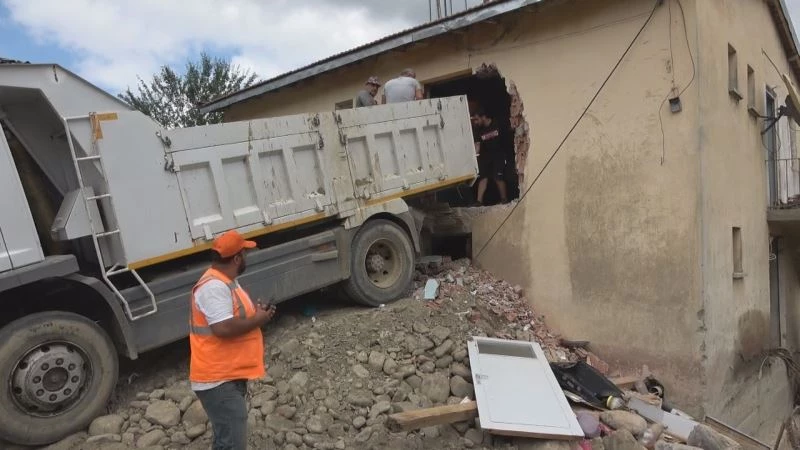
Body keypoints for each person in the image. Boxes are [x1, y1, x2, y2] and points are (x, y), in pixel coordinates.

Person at [189, 230, 276, 450]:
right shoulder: (214, 287)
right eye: (244, 253)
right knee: (232, 444)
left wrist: (258, 314)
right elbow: (223, 327)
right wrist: (259, 319)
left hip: (227, 374)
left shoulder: (225, 281)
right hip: (217, 379)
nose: (246, 257)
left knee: (226, 440)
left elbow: (233, 318)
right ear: (237, 258)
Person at [472, 109, 508, 205]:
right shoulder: (478, 129)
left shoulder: (497, 124)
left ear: (483, 117)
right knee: (483, 177)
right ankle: (479, 201)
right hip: (486, 155)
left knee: (498, 177)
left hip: (499, 154)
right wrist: (475, 158)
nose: (475, 122)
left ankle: (504, 199)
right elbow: (477, 145)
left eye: (476, 119)